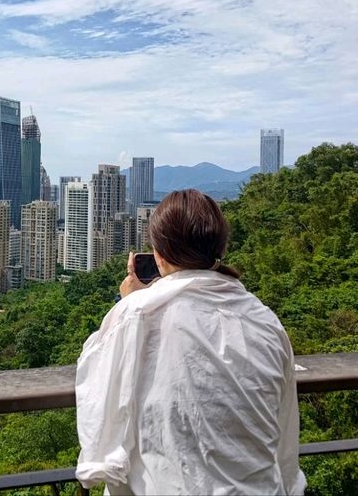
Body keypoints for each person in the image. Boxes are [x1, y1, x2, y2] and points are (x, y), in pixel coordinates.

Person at [75, 189, 306, 495]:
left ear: (158, 255)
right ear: (219, 249)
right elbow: (285, 441)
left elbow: (98, 404)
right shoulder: (265, 321)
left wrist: (130, 305)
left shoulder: (136, 314)